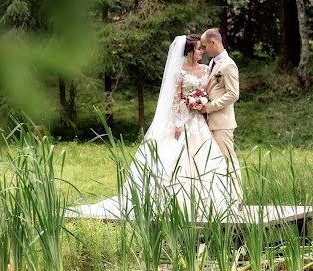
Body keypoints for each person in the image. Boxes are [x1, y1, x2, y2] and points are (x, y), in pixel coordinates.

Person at [67, 34, 240, 219]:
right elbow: (174, 100)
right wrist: (178, 123)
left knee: (206, 156)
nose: (202, 51)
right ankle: (176, 201)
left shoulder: (207, 69)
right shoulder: (179, 72)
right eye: (199, 48)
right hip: (184, 116)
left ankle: (215, 200)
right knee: (179, 156)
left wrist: (201, 101)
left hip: (200, 119)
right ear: (189, 51)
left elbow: (209, 91)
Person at [200, 28, 242, 199]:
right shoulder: (212, 63)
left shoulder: (228, 64)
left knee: (228, 160)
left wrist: (209, 107)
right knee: (215, 162)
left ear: (213, 42)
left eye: (204, 46)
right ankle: (222, 198)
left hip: (222, 122)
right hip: (209, 122)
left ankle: (238, 198)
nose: (203, 50)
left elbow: (233, 94)